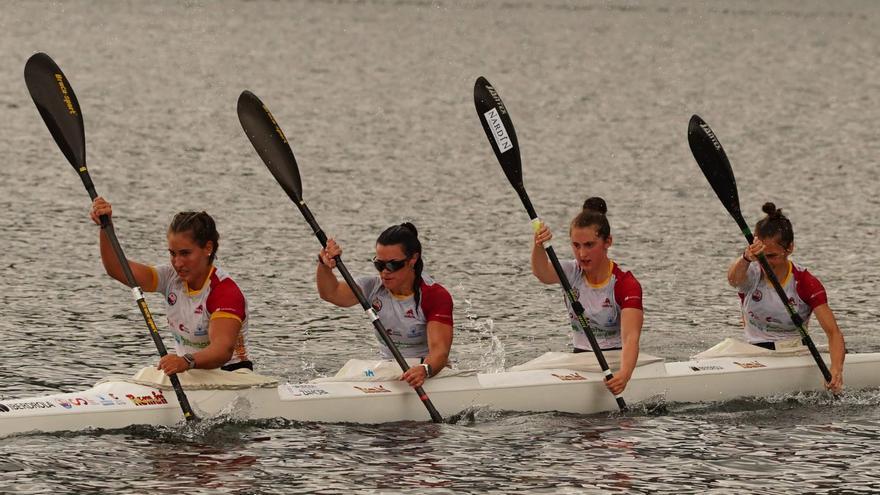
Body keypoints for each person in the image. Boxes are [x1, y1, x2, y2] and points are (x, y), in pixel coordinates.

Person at [90, 197, 251, 375]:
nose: (178, 263)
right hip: (190, 372)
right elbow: (118, 269)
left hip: (231, 377)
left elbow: (222, 351)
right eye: (172, 253)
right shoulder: (170, 277)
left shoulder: (224, 292)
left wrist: (185, 361)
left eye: (185, 253)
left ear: (207, 248)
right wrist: (106, 227)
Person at [316, 223, 453, 389]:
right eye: (379, 264)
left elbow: (440, 351)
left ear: (413, 260)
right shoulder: (372, 287)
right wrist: (324, 265)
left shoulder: (435, 296)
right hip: (387, 370)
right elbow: (331, 293)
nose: (385, 272)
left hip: (428, 373)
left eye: (393, 265)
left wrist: (424, 370)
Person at [531, 197, 644, 395]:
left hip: (615, 358)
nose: (582, 254)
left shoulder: (625, 284)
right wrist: (539, 244)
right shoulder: (570, 272)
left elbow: (630, 337)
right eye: (576, 245)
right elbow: (542, 273)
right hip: (579, 359)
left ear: (607, 242)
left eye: (589, 245)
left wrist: (624, 375)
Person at [727, 202, 845, 392]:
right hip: (752, 350)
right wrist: (746, 258)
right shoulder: (751, 271)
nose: (766, 262)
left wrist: (836, 370)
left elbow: (833, 333)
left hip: (791, 351)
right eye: (761, 256)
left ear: (789, 248)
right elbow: (733, 280)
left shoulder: (805, 283)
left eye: (772, 256)